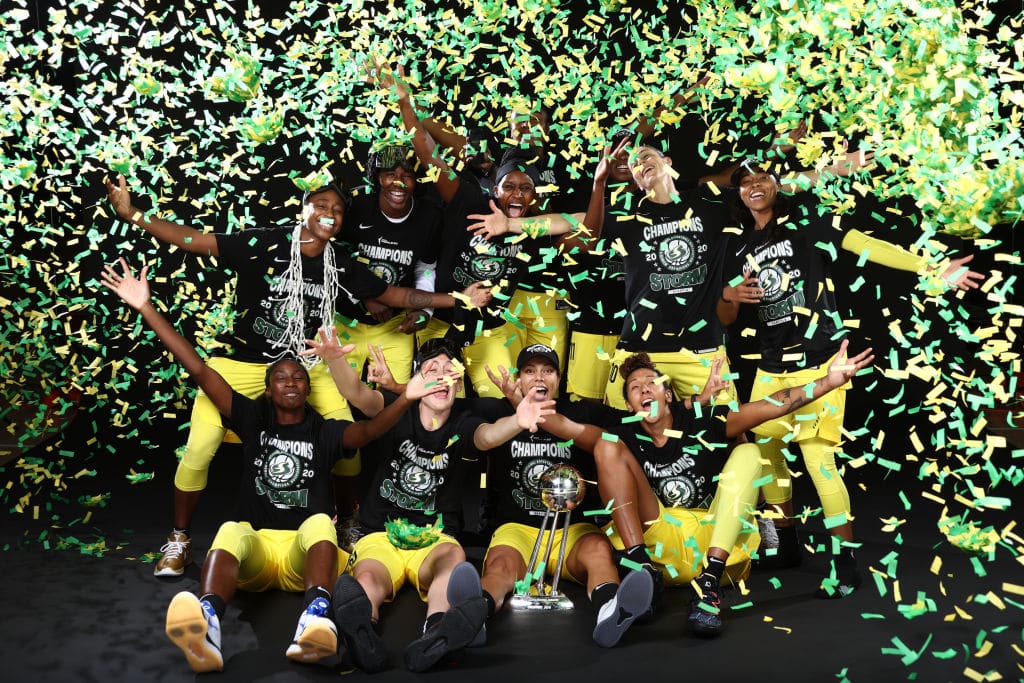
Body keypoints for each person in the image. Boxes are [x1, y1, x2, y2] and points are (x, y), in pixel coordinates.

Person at [105, 174, 491, 576]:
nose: (330, 214)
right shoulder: (265, 243)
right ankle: (179, 538)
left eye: (337, 210)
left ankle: (347, 524)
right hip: (243, 361)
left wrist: (458, 298)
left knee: (348, 442)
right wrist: (133, 215)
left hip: (301, 366)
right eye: (321, 205)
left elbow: (394, 295)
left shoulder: (338, 262)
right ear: (303, 209)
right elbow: (195, 240)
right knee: (200, 446)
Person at [99, 258, 445, 672]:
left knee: (321, 524)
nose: (291, 382)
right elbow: (198, 368)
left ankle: (314, 620)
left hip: (306, 557)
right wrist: (146, 307)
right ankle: (208, 623)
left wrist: (406, 398)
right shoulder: (251, 419)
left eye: (299, 377)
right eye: (281, 378)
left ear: (308, 388)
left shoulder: (326, 432)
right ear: (267, 390)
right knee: (230, 530)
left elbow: (370, 432)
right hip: (258, 556)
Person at [719, 160, 983, 596]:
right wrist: (730, 295)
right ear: (740, 194)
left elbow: (864, 243)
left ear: (778, 185)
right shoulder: (739, 245)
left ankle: (845, 564)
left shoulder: (807, 223)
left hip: (820, 360)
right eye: (746, 182)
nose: (754, 186)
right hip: (769, 366)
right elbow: (727, 315)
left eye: (762, 178)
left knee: (818, 463)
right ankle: (785, 543)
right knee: (767, 458)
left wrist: (932, 267)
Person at [540, 340, 874, 637]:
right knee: (606, 445)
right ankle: (641, 571)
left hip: (712, 543)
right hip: (660, 549)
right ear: (629, 405)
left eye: (652, 383)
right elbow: (571, 429)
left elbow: (771, 405)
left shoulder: (704, 421)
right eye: (635, 388)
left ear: (668, 394)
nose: (644, 390)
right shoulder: (625, 433)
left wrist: (828, 382)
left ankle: (708, 586)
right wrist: (523, 406)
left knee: (749, 452)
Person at [305, 335, 554, 672]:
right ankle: (361, 629)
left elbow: (487, 436)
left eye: (449, 371)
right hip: (382, 535)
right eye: (432, 369)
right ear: (417, 380)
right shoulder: (395, 408)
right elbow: (358, 394)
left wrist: (517, 422)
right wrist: (335, 359)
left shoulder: (464, 421)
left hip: (435, 539)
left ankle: (438, 631)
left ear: (458, 384)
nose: (441, 376)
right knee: (367, 578)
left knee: (452, 561)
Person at [372, 65, 562, 396]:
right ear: (495, 188)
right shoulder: (470, 199)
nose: (517, 194)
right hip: (442, 323)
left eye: (525, 188)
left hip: (490, 330)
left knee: (497, 402)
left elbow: (580, 222)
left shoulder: (532, 222)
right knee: (436, 403)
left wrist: (511, 224)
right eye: (508, 186)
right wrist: (405, 102)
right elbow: (429, 154)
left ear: (535, 196)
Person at [475, 344, 654, 648]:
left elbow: (630, 421)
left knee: (599, 552)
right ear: (518, 379)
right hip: (518, 529)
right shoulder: (498, 410)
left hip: (572, 529)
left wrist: (689, 404)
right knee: (500, 567)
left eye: (548, 370)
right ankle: (473, 613)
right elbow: (462, 423)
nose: (539, 377)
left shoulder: (580, 411)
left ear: (559, 379)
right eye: (530, 371)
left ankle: (611, 610)